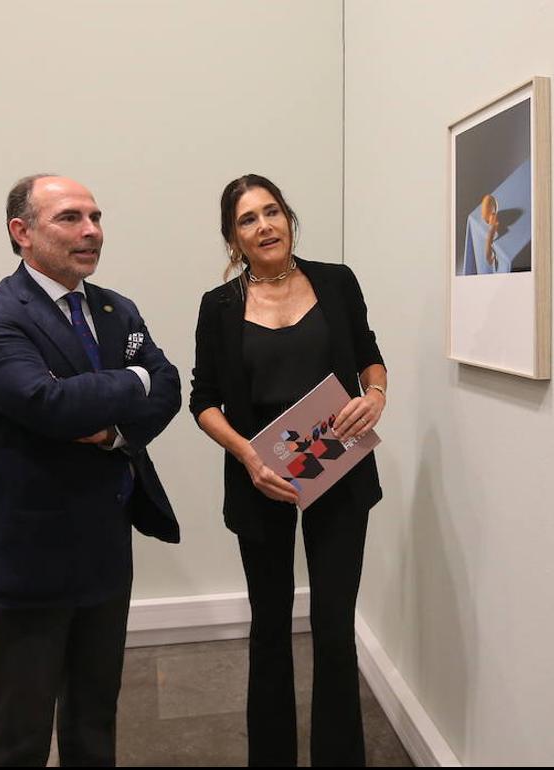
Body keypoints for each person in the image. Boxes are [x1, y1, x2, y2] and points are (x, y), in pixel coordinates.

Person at [0, 174, 181, 767]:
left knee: (94, 718)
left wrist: (112, 429)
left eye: (96, 217)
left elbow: (168, 389)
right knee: (20, 732)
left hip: (105, 547)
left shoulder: (114, 308)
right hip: (30, 553)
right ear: (21, 232)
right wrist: (132, 381)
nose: (91, 231)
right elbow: (45, 404)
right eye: (71, 218)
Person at [189, 174, 387, 766]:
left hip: (339, 471)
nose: (264, 226)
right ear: (233, 238)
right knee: (270, 628)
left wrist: (376, 396)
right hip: (263, 480)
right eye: (248, 219)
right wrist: (249, 455)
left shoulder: (336, 282)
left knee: (333, 627)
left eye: (271, 211)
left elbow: (370, 354)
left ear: (289, 218)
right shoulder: (218, 306)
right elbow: (203, 400)